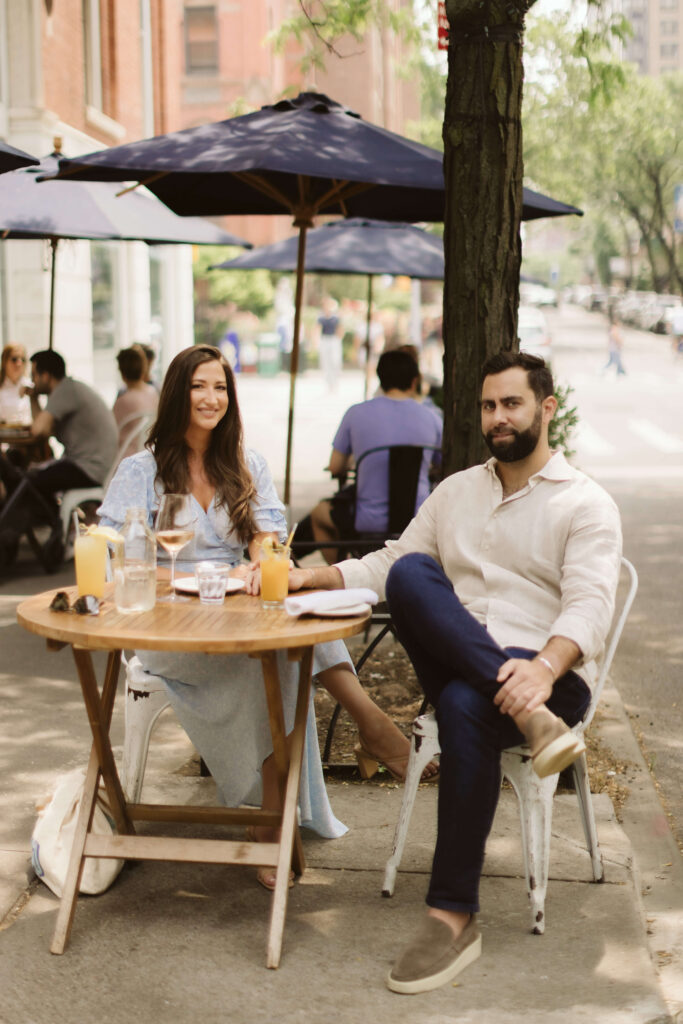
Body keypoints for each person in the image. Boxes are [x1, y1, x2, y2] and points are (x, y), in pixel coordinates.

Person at [281, 351, 622, 993]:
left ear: (546, 409)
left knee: (468, 702)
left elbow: (590, 607)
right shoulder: (457, 490)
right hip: (481, 667)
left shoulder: (586, 503)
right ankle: (526, 718)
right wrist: (314, 575)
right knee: (412, 572)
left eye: (512, 403)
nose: (497, 417)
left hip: (552, 676)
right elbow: (389, 565)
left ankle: (451, 915)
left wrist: (543, 672)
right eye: (489, 405)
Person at [98, 345, 436, 888]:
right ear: (177, 393)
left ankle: (275, 815)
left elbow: (268, 536)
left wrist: (260, 560)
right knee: (276, 660)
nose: (212, 398)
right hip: (167, 626)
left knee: (291, 622)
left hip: (239, 612)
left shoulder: (245, 462)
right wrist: (210, 578)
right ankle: (350, 746)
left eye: (221, 387)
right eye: (199, 386)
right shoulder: (142, 470)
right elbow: (119, 558)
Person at [295, 349, 443, 564]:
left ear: (380, 380)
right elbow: (439, 464)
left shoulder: (356, 413)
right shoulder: (433, 418)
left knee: (319, 514)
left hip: (367, 522)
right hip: (417, 519)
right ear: (414, 382)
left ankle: (342, 574)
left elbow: (335, 467)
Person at [0, 349, 118, 566]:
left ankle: (15, 532)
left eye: (34, 375)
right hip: (89, 464)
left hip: (87, 467)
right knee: (27, 479)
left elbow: (37, 431)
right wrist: (34, 398)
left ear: (46, 376)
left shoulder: (66, 390)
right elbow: (43, 430)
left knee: (27, 481)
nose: (33, 380)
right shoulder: (68, 390)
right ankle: (34, 525)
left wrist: (33, 396)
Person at [112, 347, 158, 460]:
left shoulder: (123, 401)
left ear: (122, 372)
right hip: (150, 452)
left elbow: (109, 432)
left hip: (125, 457)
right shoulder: (154, 393)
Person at [0, 344, 32, 425]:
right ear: (4, 361)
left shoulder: (30, 386)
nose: (19, 363)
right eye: (14, 359)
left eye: (23, 360)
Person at [317, 295, 343, 392]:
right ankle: (329, 384)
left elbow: (340, 329)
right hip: (325, 340)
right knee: (326, 362)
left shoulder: (335, 317)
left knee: (335, 361)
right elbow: (318, 328)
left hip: (334, 340)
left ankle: (335, 382)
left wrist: (338, 340)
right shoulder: (321, 317)